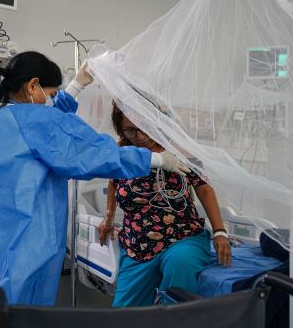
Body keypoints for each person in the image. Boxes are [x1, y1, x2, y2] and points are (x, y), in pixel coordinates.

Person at [0, 51, 190, 319]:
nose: (50, 102)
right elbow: (89, 151)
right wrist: (156, 158)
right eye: (51, 95)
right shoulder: (35, 122)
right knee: (14, 315)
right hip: (22, 247)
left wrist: (77, 85)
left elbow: (47, 129)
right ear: (32, 85)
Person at [98, 103, 232, 307]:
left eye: (145, 127)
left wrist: (219, 232)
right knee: (123, 316)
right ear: (121, 130)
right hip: (138, 245)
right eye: (131, 130)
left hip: (182, 236)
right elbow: (113, 183)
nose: (141, 136)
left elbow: (204, 188)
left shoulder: (179, 150)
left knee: (180, 265)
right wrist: (108, 218)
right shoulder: (123, 153)